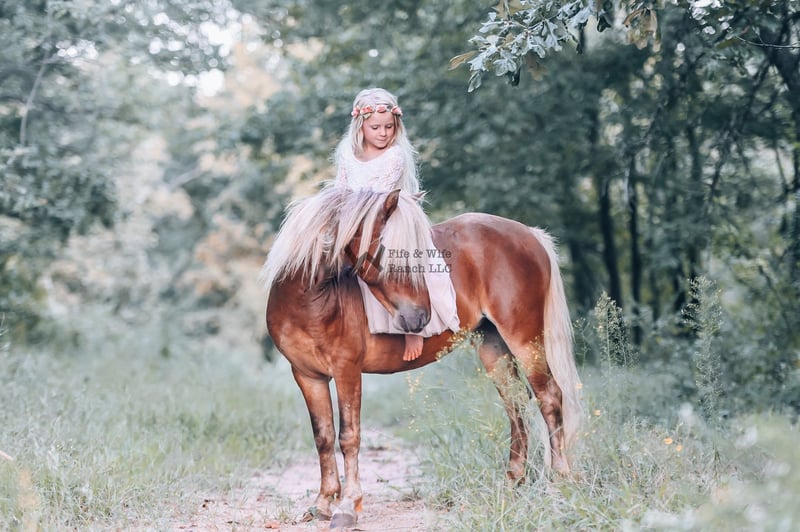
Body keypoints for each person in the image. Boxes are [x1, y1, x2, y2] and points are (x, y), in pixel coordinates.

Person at [334, 88, 459, 361]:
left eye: (389, 127)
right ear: (360, 126)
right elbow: (341, 189)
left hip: (389, 217)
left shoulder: (394, 156)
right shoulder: (347, 153)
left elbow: (380, 199)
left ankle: (414, 328)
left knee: (406, 260)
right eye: (375, 127)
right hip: (359, 222)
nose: (383, 133)